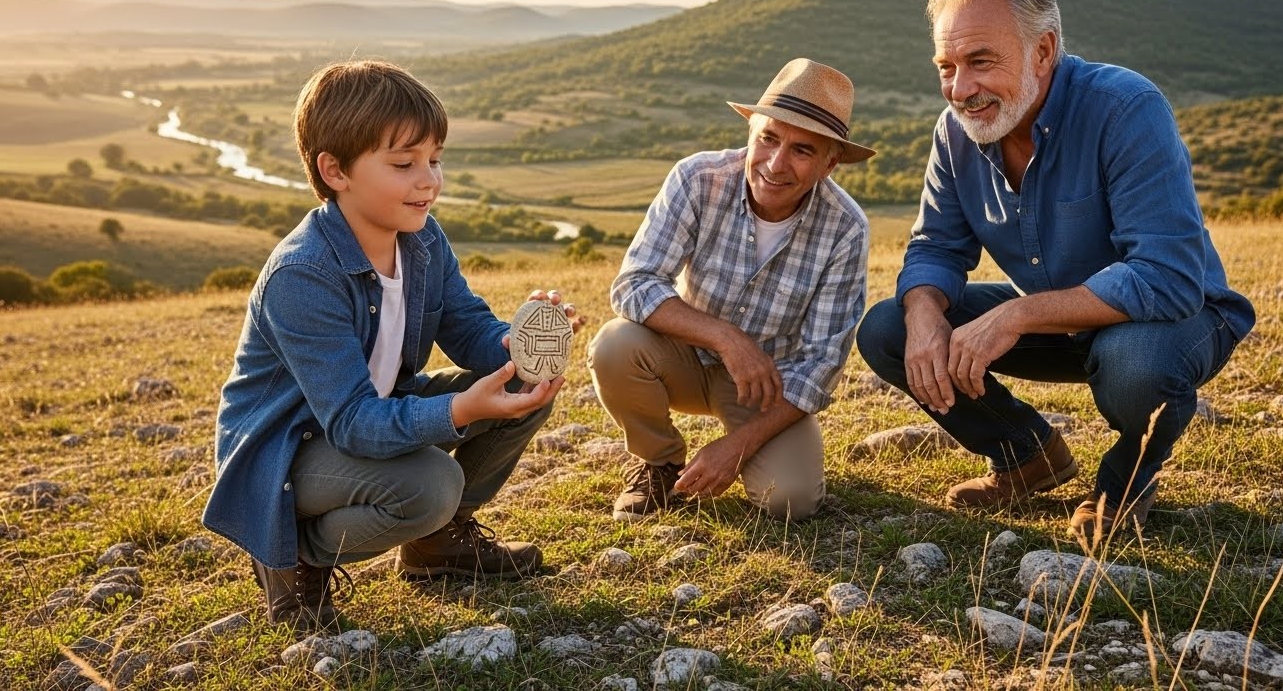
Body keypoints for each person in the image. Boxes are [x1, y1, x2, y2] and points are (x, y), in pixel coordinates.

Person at [855, 0, 1255, 541]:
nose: (961, 89)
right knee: (889, 328)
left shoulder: (1125, 108)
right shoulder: (956, 131)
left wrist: (1015, 315)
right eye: (947, 67)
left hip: (1176, 318)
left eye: (981, 61)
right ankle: (1027, 455)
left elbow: (1167, 277)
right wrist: (923, 316)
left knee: (1136, 366)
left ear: (1043, 51)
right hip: (1062, 323)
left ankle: (1125, 482)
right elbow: (936, 244)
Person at [202, 60, 578, 632]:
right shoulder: (302, 274)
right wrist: (462, 409)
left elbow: (465, 324)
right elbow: (351, 421)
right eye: (404, 164)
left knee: (528, 385)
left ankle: (436, 548)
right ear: (335, 171)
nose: (428, 180)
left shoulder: (422, 237)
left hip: (369, 414)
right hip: (290, 449)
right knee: (431, 486)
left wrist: (520, 343)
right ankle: (296, 556)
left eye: (434, 160)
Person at [589, 58, 873, 523]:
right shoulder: (698, 179)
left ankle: (761, 448)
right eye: (768, 138)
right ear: (751, 132)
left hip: (765, 388)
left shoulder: (846, 229)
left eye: (802, 150)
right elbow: (634, 284)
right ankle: (658, 462)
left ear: (830, 162)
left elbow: (821, 364)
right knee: (615, 345)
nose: (776, 164)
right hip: (681, 357)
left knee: (790, 501)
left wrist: (736, 447)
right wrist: (727, 337)